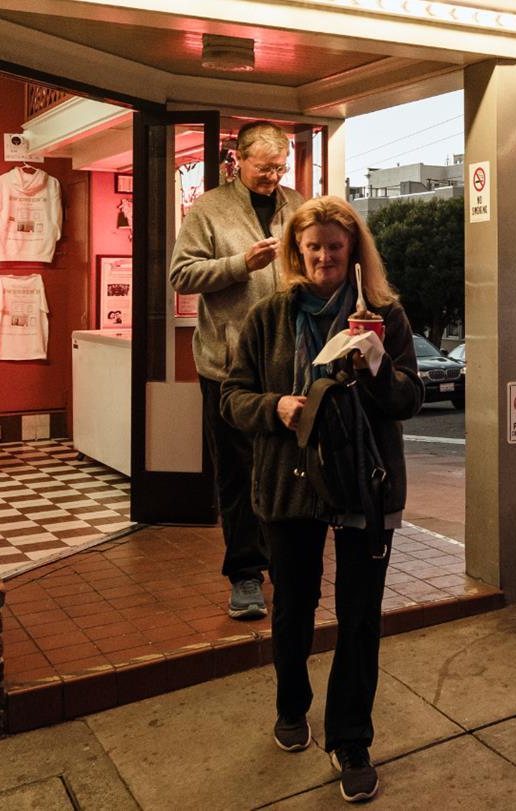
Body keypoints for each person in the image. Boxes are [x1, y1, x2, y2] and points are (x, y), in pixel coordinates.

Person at [221, 195, 422, 805]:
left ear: (354, 252)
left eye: (337, 247)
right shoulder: (267, 318)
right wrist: (275, 408)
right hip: (290, 482)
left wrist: (379, 361)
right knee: (294, 608)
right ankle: (291, 705)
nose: (325, 257)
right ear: (296, 252)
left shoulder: (383, 314)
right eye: (314, 248)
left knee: (361, 616)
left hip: (367, 482)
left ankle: (351, 738)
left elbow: (409, 399)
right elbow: (231, 398)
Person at [168, 121, 303, 620]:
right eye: (264, 167)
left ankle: (286, 562)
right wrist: (239, 264)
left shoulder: (298, 205)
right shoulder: (209, 210)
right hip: (228, 368)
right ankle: (245, 575)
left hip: (288, 363)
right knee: (238, 475)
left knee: (289, 467)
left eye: (279, 167)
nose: (272, 177)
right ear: (238, 161)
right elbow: (181, 274)